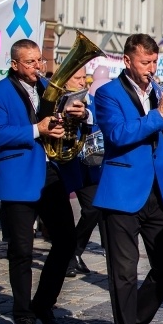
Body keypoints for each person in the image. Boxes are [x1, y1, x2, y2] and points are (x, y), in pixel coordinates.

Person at [93, 34, 163, 324]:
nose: (150, 69)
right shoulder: (108, 94)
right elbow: (118, 135)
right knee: (123, 274)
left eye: (154, 63)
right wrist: (160, 113)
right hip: (121, 193)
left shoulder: (159, 93)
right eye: (144, 63)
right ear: (127, 61)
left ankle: (131, 320)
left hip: (159, 192)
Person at [0, 39, 88, 324]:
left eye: (39, 61)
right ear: (15, 64)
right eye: (30, 62)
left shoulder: (49, 86)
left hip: (50, 173)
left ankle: (44, 304)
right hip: (19, 176)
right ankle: (23, 316)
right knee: (21, 250)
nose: (37, 67)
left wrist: (77, 117)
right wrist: (37, 129)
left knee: (66, 240)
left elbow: (65, 122)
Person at [59, 66, 104, 277]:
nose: (82, 83)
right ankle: (67, 257)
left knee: (94, 208)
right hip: (66, 162)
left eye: (84, 78)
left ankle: (75, 252)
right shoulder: (58, 99)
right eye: (77, 78)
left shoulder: (89, 98)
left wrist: (86, 114)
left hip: (89, 161)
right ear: (65, 79)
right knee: (62, 217)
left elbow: (98, 116)